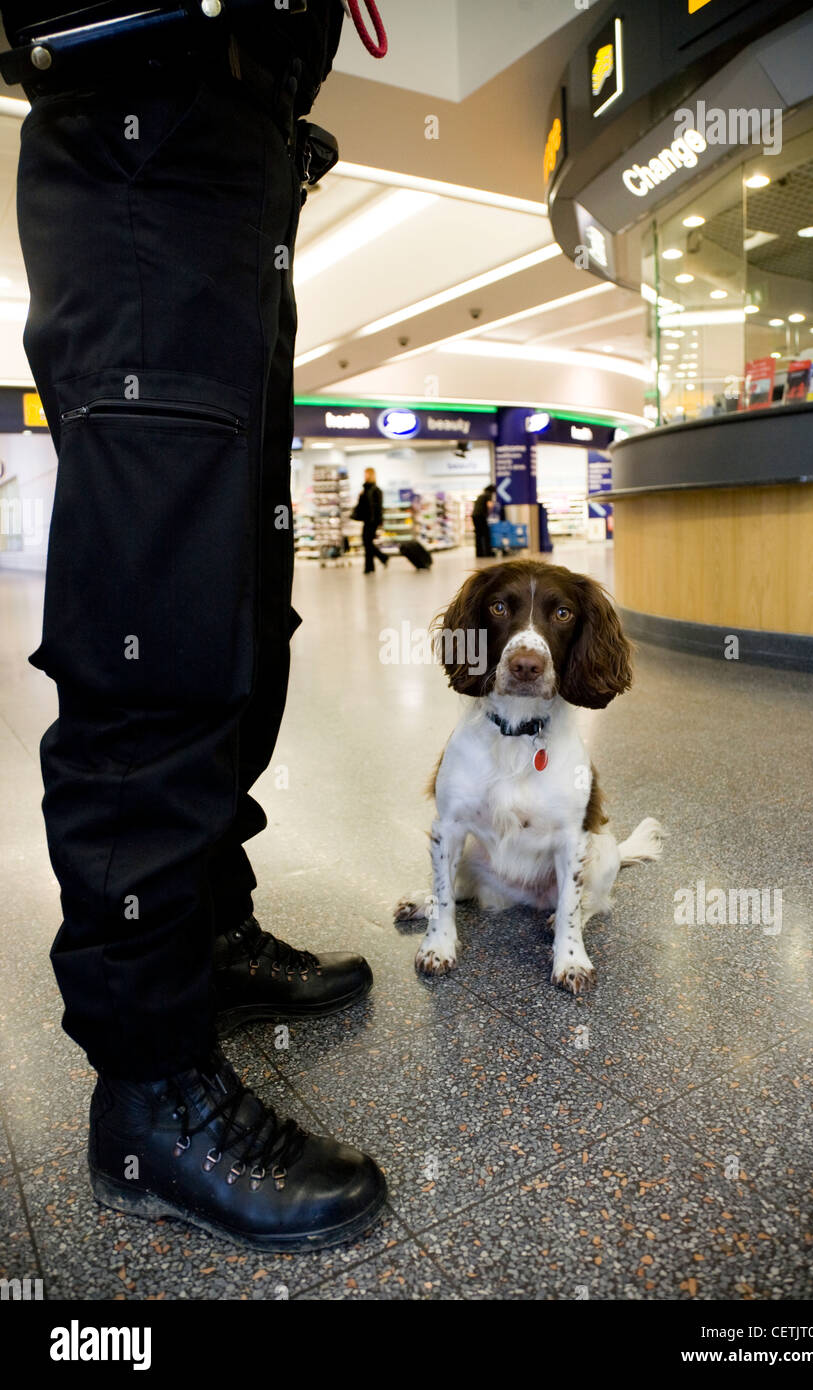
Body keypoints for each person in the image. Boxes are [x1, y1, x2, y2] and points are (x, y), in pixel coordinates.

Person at [0, 1, 387, 1250]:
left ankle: (206, 927)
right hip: (143, 116)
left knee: (238, 597)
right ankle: (150, 1087)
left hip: (240, 154)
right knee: (154, 617)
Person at [353, 465, 389, 573]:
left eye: (366, 473)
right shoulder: (364, 490)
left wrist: (379, 521)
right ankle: (372, 564)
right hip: (367, 520)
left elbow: (378, 508)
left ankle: (374, 563)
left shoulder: (376, 491)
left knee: (367, 542)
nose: (365, 476)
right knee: (367, 543)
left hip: (372, 521)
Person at [472, 483, 496, 557]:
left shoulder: (481, 495)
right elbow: (490, 505)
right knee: (486, 535)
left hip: (474, 516)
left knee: (478, 535)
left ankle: (479, 553)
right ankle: (488, 553)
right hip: (481, 516)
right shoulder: (488, 494)